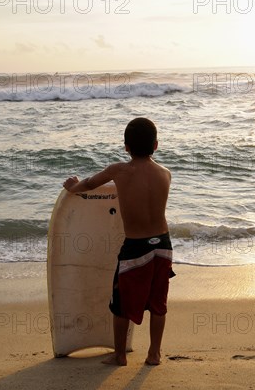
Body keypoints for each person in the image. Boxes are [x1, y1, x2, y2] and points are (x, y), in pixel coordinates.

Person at [63, 117, 174, 366]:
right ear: (156, 145)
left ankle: (120, 354)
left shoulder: (118, 171)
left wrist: (72, 187)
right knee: (159, 302)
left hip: (135, 248)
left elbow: (89, 185)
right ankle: (154, 353)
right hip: (164, 246)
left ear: (126, 147)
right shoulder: (166, 174)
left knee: (121, 302)